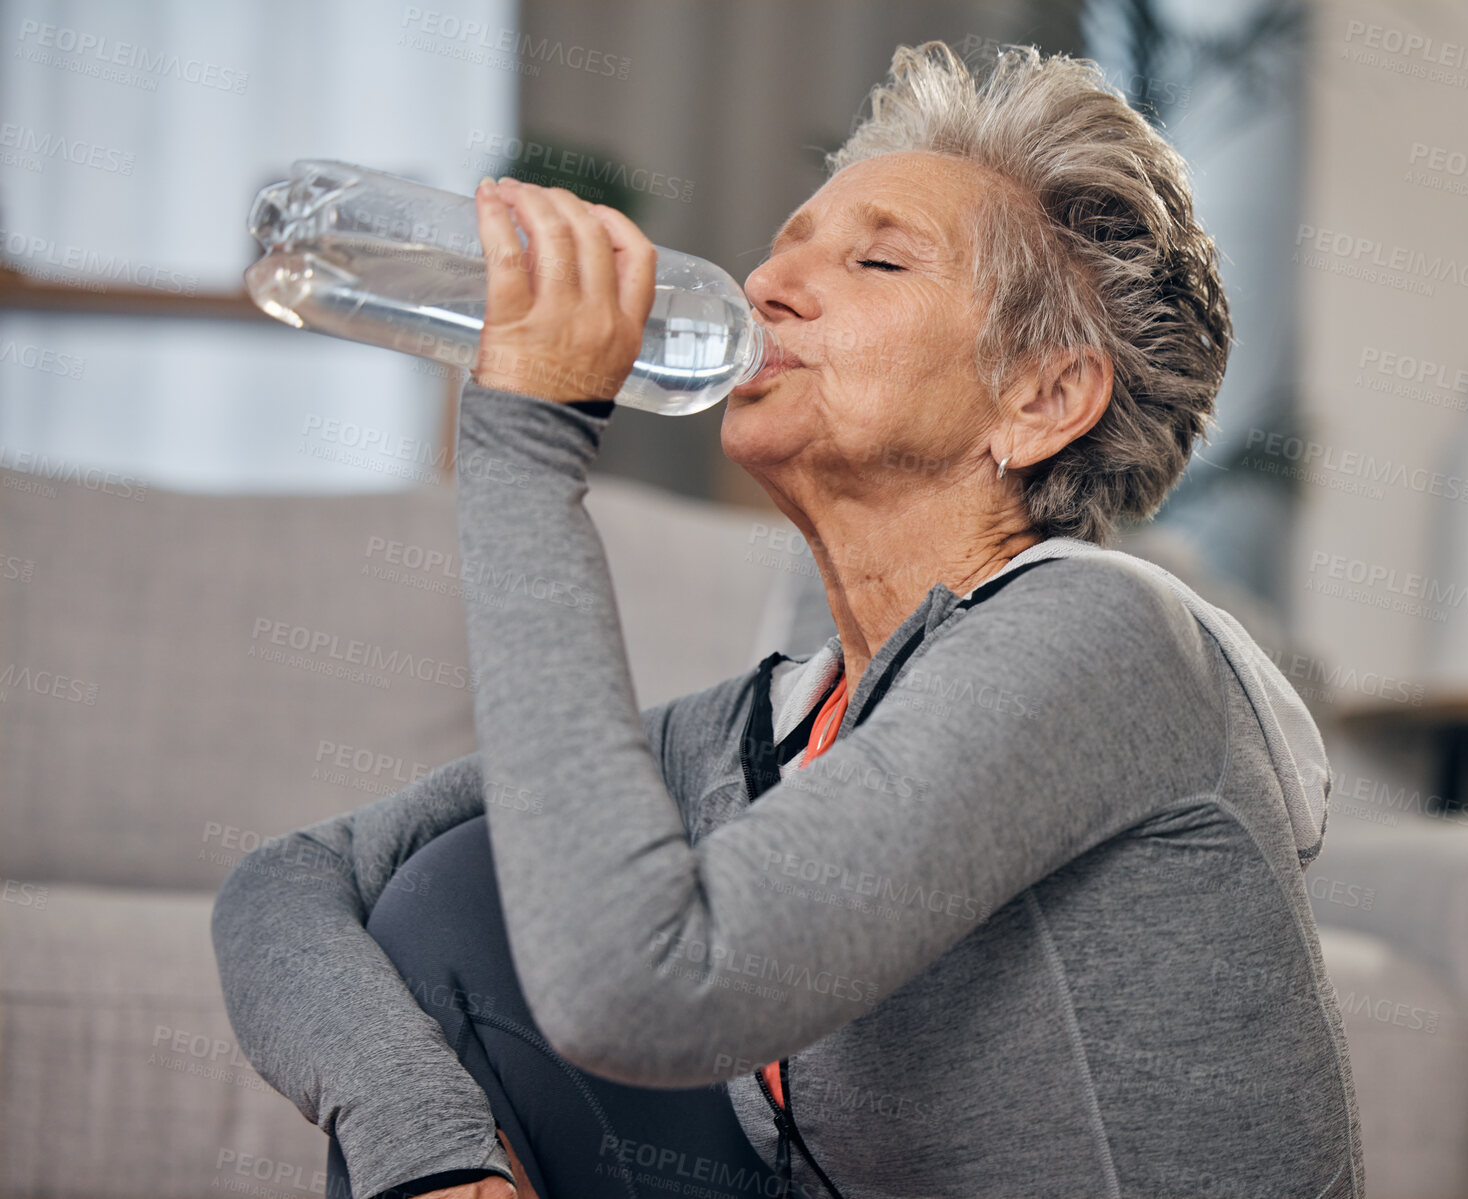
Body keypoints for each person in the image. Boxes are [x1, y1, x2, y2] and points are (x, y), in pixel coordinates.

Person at [212, 39, 1364, 1199]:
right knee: (454, 892)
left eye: (876, 261)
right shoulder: (764, 733)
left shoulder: (1110, 639)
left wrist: (525, 435)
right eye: (784, 246)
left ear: (1042, 397)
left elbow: (636, 990)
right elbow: (293, 879)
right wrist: (426, 1149)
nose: (766, 284)